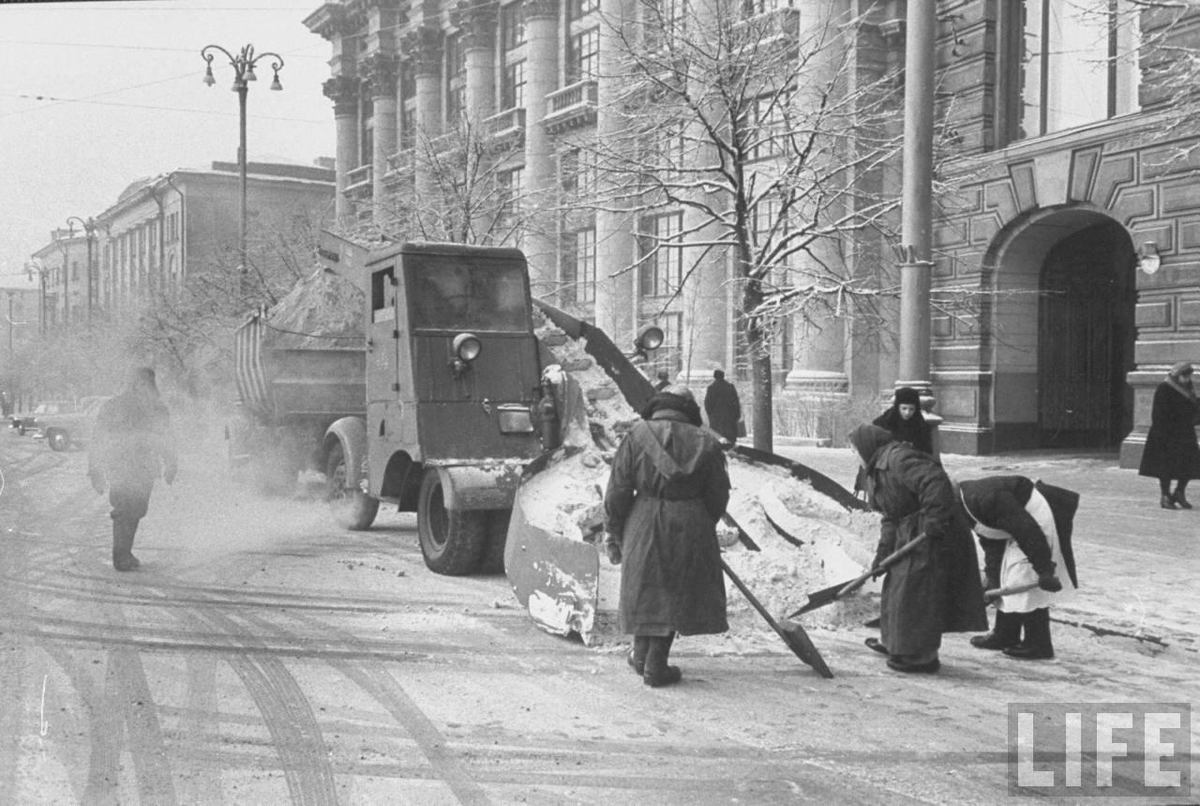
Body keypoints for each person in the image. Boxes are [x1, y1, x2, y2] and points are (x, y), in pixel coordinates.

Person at [603, 385, 731, 687]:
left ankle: (647, 660)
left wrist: (614, 528)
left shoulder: (637, 436)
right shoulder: (707, 443)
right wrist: (701, 521)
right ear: (689, 410)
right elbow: (718, 494)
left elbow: (618, 491)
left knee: (646, 587)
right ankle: (651, 661)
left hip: (644, 519)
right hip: (691, 520)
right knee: (676, 590)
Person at [848, 424, 986, 674]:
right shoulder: (875, 470)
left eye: (853, 448)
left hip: (934, 532)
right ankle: (896, 644)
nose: (853, 454)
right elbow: (889, 517)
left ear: (866, 445)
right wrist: (882, 555)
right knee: (897, 586)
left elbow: (935, 480)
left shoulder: (898, 458)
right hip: (909, 531)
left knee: (918, 592)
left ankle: (921, 657)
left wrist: (934, 520)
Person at [957, 476, 1076, 660]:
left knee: (1024, 576)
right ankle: (1006, 635)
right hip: (1021, 525)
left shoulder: (984, 499)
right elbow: (992, 544)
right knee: (1008, 575)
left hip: (1037, 518)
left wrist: (1044, 570)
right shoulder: (964, 507)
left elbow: (1027, 530)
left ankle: (1039, 644)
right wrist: (993, 583)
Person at [88, 367, 178, 571]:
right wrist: (95, 470)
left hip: (142, 466)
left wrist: (171, 462)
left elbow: (166, 437)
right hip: (122, 465)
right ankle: (121, 556)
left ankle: (124, 553)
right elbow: (99, 439)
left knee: (136, 509)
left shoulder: (156, 408)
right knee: (124, 509)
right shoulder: (115, 407)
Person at [1138, 362, 1200, 509]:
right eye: (1185, 375)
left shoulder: (1188, 388)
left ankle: (1179, 492)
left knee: (1189, 464)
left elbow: (1192, 408)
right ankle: (1165, 495)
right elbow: (1159, 414)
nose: (1188, 378)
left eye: (1189, 375)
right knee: (1165, 467)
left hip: (1185, 433)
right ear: (1177, 375)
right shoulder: (1164, 388)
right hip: (1166, 434)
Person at [873, 386, 937, 459]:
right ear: (898, 407)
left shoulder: (921, 426)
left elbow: (927, 452)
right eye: (904, 408)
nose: (907, 412)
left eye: (911, 409)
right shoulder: (885, 422)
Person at [703, 369, 741, 445]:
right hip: (730, 419)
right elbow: (736, 403)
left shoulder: (711, 388)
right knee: (730, 441)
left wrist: (711, 415)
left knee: (717, 440)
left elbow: (707, 404)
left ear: (714, 376)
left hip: (716, 420)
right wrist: (736, 415)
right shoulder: (730, 387)